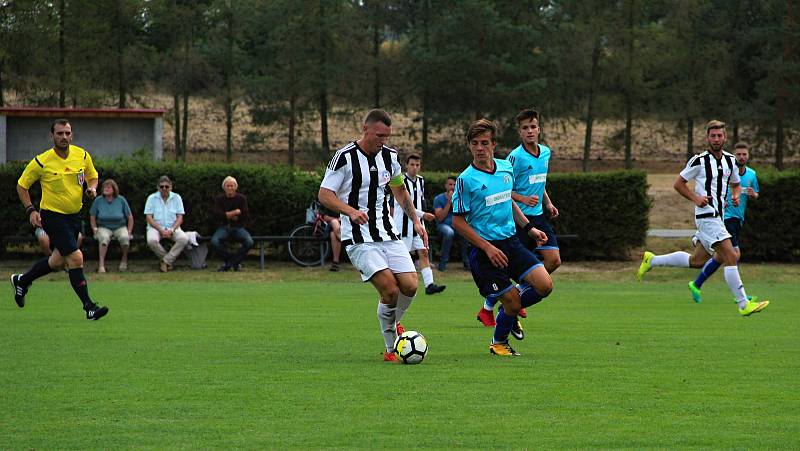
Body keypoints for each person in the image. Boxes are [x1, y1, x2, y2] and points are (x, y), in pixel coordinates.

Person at [318, 109, 427, 362]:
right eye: (379, 135)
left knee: (410, 285)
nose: (383, 141)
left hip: (387, 233)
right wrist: (350, 211)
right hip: (358, 238)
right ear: (365, 129)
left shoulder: (390, 157)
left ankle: (395, 323)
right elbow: (324, 194)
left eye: (387, 136)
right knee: (389, 290)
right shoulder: (344, 158)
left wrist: (416, 221)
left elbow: (399, 191)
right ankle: (391, 348)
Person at [637, 120, 769, 316]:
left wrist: (734, 195)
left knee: (697, 261)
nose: (716, 139)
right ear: (707, 138)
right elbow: (678, 183)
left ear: (725, 138)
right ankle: (743, 304)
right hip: (707, 216)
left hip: (719, 217)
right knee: (731, 255)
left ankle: (652, 260)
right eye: (713, 136)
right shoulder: (699, 160)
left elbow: (735, 184)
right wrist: (696, 198)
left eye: (719, 135)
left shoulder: (731, 161)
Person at [452, 118, 554, 356]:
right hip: (485, 252)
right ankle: (499, 342)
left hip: (511, 243)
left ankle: (506, 311)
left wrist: (530, 228)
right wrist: (487, 247)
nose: (480, 148)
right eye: (475, 143)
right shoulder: (465, 180)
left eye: (484, 142)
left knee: (545, 285)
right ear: (469, 146)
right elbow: (458, 221)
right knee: (513, 301)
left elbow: (508, 200)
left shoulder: (505, 169)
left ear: (493, 144)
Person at [10, 118, 109, 320]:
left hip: (74, 216)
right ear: (52, 136)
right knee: (76, 257)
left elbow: (93, 176)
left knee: (56, 261)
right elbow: (22, 186)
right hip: (53, 217)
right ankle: (89, 307)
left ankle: (22, 280)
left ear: (71, 135)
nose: (64, 137)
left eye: (67, 133)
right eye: (59, 133)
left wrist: (92, 188)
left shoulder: (82, 155)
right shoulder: (42, 161)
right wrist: (31, 210)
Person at [476, 108, 562, 328]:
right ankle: (489, 309)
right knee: (507, 270)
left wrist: (548, 202)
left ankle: (517, 297)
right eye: (525, 128)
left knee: (553, 261)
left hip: (539, 218)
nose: (530, 131)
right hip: (518, 221)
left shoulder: (545, 152)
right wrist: (523, 197)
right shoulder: (515, 157)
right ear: (519, 132)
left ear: (539, 129)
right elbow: (503, 188)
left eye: (533, 126)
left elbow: (540, 182)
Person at [688, 142, 759, 302]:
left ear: (748, 156)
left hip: (737, 218)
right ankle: (741, 299)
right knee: (733, 255)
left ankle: (697, 284)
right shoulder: (724, 170)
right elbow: (717, 191)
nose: (741, 157)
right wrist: (723, 202)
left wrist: (748, 195)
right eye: (738, 154)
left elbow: (753, 193)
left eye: (744, 154)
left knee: (701, 260)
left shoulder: (751, 175)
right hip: (723, 218)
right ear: (735, 155)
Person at [391, 154, 445, 295]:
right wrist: (423, 214)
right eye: (412, 165)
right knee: (403, 256)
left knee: (423, 252)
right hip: (402, 225)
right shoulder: (400, 180)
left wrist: (420, 217)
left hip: (417, 225)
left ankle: (429, 285)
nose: (415, 168)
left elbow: (419, 200)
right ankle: (396, 284)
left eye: (417, 165)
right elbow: (403, 204)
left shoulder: (421, 180)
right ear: (406, 166)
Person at [144, 175, 189, 272]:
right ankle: (168, 261)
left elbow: (180, 217)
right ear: (158, 187)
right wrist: (160, 229)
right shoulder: (151, 198)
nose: (164, 188)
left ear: (171, 187)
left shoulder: (177, 198)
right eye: (161, 186)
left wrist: (172, 229)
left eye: (166, 186)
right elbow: (149, 217)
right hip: (155, 228)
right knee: (151, 240)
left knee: (184, 239)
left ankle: (165, 261)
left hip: (173, 227)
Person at [89, 179, 134, 273]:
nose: (106, 189)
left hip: (120, 226)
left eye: (108, 187)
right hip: (103, 227)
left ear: (114, 189)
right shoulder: (98, 200)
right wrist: (94, 229)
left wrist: (129, 231)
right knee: (104, 239)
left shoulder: (121, 200)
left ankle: (124, 260)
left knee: (125, 239)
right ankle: (101, 265)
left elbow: (130, 217)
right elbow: (92, 216)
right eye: (105, 187)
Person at [211, 176, 254, 272]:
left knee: (249, 242)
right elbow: (218, 215)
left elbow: (245, 215)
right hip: (224, 227)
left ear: (235, 187)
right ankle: (234, 262)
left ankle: (229, 263)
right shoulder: (219, 199)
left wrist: (226, 215)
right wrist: (234, 212)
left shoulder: (242, 199)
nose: (230, 188)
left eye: (232, 186)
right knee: (214, 241)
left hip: (238, 227)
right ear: (224, 187)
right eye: (228, 186)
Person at [433, 176, 471, 272]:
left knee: (466, 233)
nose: (452, 187)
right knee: (449, 233)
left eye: (454, 185)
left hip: (456, 225)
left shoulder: (459, 199)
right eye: (450, 184)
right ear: (445, 186)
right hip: (443, 225)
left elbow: (463, 215)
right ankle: (443, 263)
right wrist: (449, 202)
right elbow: (440, 218)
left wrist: (454, 202)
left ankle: (467, 262)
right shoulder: (438, 198)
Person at [319, 202, 343, 272]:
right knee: (334, 222)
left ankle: (335, 262)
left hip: (342, 226)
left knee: (333, 235)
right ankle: (345, 242)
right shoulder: (327, 202)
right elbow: (325, 217)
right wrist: (335, 219)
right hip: (329, 226)